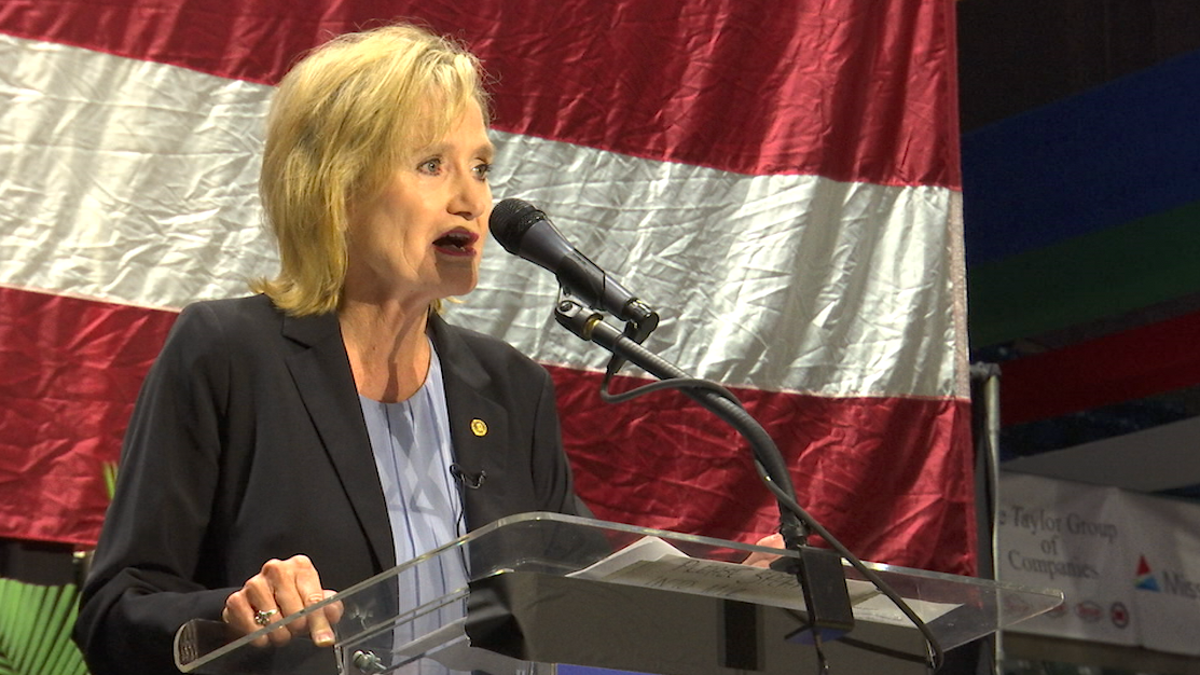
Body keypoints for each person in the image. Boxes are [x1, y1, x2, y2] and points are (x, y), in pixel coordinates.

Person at [73, 23, 590, 675]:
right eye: (432, 165)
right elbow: (114, 614)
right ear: (337, 191)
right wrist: (232, 613)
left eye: (480, 168)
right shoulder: (230, 355)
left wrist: (717, 593)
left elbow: (584, 603)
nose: (471, 200)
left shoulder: (512, 387)